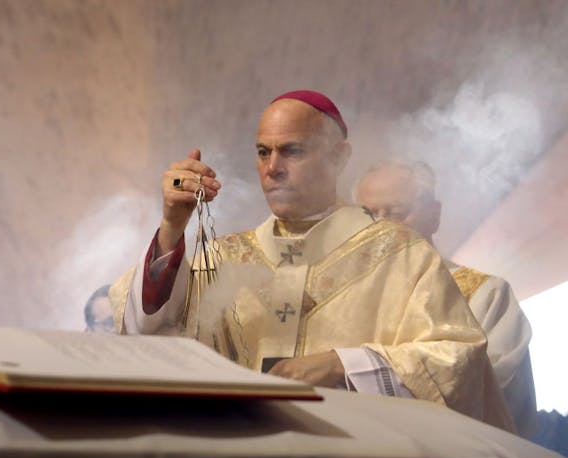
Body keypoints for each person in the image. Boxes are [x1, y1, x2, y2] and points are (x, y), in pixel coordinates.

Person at [110, 89, 513, 431]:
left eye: (292, 151)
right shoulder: (225, 256)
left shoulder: (400, 254)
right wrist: (171, 226)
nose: (272, 168)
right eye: (263, 152)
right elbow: (146, 332)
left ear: (338, 157)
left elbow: (460, 361)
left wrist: (344, 365)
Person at [354, 160, 538, 436]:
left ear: (434, 215)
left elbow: (486, 392)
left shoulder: (487, 294)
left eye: (395, 213)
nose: (380, 227)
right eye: (369, 214)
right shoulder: (346, 299)